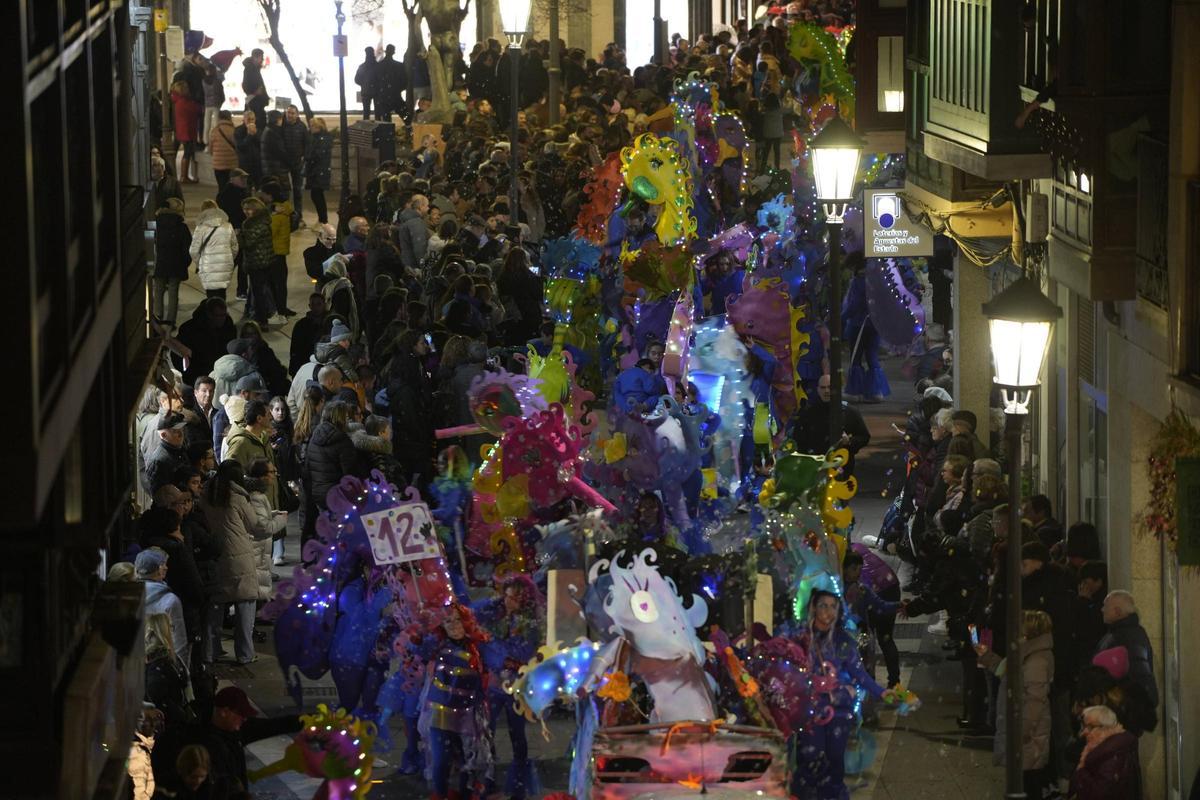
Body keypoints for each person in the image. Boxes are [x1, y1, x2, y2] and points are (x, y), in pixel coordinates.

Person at [791, 590, 896, 799]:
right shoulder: (800, 639)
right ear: (813, 607)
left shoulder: (843, 641)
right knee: (810, 756)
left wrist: (882, 692)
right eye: (823, 605)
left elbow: (860, 674)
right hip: (809, 710)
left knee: (835, 758)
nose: (828, 612)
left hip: (838, 709)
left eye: (833, 606)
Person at [151, 686, 301, 797]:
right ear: (224, 712)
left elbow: (274, 725)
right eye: (240, 714)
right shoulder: (199, 741)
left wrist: (309, 720)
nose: (244, 718)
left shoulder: (236, 729)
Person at [198, 460, 275, 664]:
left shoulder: (205, 494)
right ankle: (245, 653)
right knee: (245, 604)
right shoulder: (237, 497)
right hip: (239, 554)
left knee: (215, 604)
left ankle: (210, 651)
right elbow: (255, 525)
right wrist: (278, 521)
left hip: (214, 553)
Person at [975, 609, 1055, 797]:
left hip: (1028, 737)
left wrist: (1021, 733)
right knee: (1023, 781)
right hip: (1025, 734)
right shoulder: (1027, 653)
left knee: (1027, 784)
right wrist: (987, 657)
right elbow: (1007, 672)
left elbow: (1035, 701)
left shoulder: (1036, 660)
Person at [418, 603, 493, 800]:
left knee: (468, 763)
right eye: (447, 621)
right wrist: (416, 634)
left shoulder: (479, 647)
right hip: (439, 712)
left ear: (465, 621)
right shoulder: (436, 644)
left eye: (457, 620)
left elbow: (497, 660)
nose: (453, 625)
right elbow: (417, 648)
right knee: (440, 762)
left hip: (468, 714)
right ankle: (441, 795)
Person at [786, 373, 871, 472]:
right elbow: (798, 442)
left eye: (829, 387)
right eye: (823, 388)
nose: (826, 391)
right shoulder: (808, 413)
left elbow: (864, 437)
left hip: (842, 468)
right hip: (816, 468)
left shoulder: (849, 412)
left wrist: (849, 441)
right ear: (818, 390)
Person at [302, 400, 369, 520]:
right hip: (337, 495)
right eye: (346, 416)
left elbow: (308, 468)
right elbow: (350, 473)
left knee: (327, 529)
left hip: (318, 493)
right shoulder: (342, 440)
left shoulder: (315, 436)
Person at [387, 331, 436, 488]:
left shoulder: (415, 363)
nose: (426, 346)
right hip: (411, 439)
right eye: (422, 342)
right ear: (413, 345)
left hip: (409, 438)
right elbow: (411, 415)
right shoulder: (406, 385)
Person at [1096, 590, 1158, 709]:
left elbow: (1137, 674)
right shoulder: (1119, 633)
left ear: (1118, 612)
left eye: (1106, 606)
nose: (1102, 609)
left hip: (1124, 709)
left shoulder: (1126, 637)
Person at [1068, 705, 1142, 800]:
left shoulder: (1112, 755)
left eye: (1090, 727)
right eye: (1084, 726)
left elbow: (1099, 794)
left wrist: (1081, 772)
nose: (1084, 732)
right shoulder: (1101, 747)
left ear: (1105, 728)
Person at [136, 547, 190, 669]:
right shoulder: (169, 600)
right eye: (163, 564)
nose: (166, 567)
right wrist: (181, 671)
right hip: (160, 666)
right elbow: (178, 640)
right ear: (158, 570)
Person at [153, 197, 193, 328]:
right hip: (176, 264)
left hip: (159, 263)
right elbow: (188, 247)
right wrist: (185, 263)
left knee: (158, 291)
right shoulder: (181, 227)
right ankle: (170, 321)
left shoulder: (156, 224)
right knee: (173, 293)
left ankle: (157, 318)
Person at [191, 199, 238, 300]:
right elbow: (235, 247)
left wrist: (200, 262)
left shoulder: (201, 228)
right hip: (225, 264)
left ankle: (212, 314)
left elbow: (193, 251)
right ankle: (222, 313)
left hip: (208, 265)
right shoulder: (228, 226)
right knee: (222, 293)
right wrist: (229, 258)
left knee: (211, 295)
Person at [238, 197, 275, 325]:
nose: (245, 212)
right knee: (255, 290)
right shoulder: (259, 221)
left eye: (249, 209)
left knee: (258, 293)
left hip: (258, 263)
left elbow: (247, 243)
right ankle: (251, 312)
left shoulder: (256, 224)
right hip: (262, 261)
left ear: (256, 210)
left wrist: (238, 235)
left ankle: (262, 319)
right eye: (244, 209)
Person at [145, 412, 191, 494]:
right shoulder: (159, 460)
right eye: (175, 431)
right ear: (163, 435)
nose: (181, 434)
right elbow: (159, 495)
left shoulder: (180, 451)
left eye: (182, 429)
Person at [170, 80, 202, 183]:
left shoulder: (175, 100)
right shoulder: (184, 102)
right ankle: (184, 177)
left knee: (176, 152)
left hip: (179, 129)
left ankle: (175, 175)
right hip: (186, 130)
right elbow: (197, 110)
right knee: (187, 153)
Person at [289, 293, 329, 375]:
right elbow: (295, 349)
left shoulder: (329, 323)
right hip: (306, 365)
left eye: (319, 304)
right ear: (309, 306)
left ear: (324, 305)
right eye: (313, 304)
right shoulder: (301, 325)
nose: (316, 307)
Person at [282, 105, 310, 223]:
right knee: (285, 189)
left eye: (293, 113)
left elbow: (307, 143)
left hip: (297, 162)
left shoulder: (302, 126)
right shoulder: (282, 126)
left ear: (297, 114)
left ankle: (298, 214)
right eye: (288, 113)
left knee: (297, 189)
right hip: (284, 162)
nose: (290, 115)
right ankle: (286, 213)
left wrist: (304, 157)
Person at [305, 117, 333, 226]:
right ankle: (322, 218)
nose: (310, 128)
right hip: (317, 170)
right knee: (316, 195)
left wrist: (308, 157)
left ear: (318, 127)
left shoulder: (322, 138)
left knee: (317, 195)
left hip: (319, 170)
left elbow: (317, 154)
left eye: (312, 126)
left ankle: (323, 219)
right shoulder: (317, 137)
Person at [395, 194, 432, 271]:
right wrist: (425, 269)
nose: (428, 208)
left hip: (409, 266)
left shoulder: (408, 221)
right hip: (415, 269)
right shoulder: (416, 223)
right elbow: (420, 249)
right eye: (427, 205)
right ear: (421, 206)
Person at [374, 44, 408, 120]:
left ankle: (389, 130)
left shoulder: (379, 65)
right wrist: (399, 88)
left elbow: (376, 80)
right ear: (393, 52)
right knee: (405, 115)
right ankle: (408, 128)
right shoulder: (399, 66)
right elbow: (404, 80)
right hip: (395, 94)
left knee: (386, 117)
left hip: (383, 95)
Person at [208, 110, 239, 191]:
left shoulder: (214, 131)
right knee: (232, 188)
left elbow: (210, 150)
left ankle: (221, 202)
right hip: (232, 164)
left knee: (221, 187)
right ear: (229, 118)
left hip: (218, 165)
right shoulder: (234, 130)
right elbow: (238, 147)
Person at [241, 49, 269, 131]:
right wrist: (255, 92)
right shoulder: (249, 69)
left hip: (257, 101)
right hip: (254, 102)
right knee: (257, 125)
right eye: (261, 58)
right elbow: (245, 85)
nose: (262, 60)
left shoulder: (254, 69)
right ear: (255, 58)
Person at [233, 113, 262, 189]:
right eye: (248, 119)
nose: (250, 121)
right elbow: (240, 147)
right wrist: (249, 135)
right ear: (244, 120)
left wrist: (255, 135)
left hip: (257, 165)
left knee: (259, 188)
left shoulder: (259, 131)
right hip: (244, 165)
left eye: (252, 119)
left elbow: (261, 145)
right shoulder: (238, 131)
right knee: (245, 189)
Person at [355, 47, 377, 119]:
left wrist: (364, 84)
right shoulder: (377, 66)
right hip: (376, 91)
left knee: (366, 112)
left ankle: (366, 126)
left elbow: (357, 79)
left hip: (366, 91)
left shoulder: (362, 66)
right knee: (378, 112)